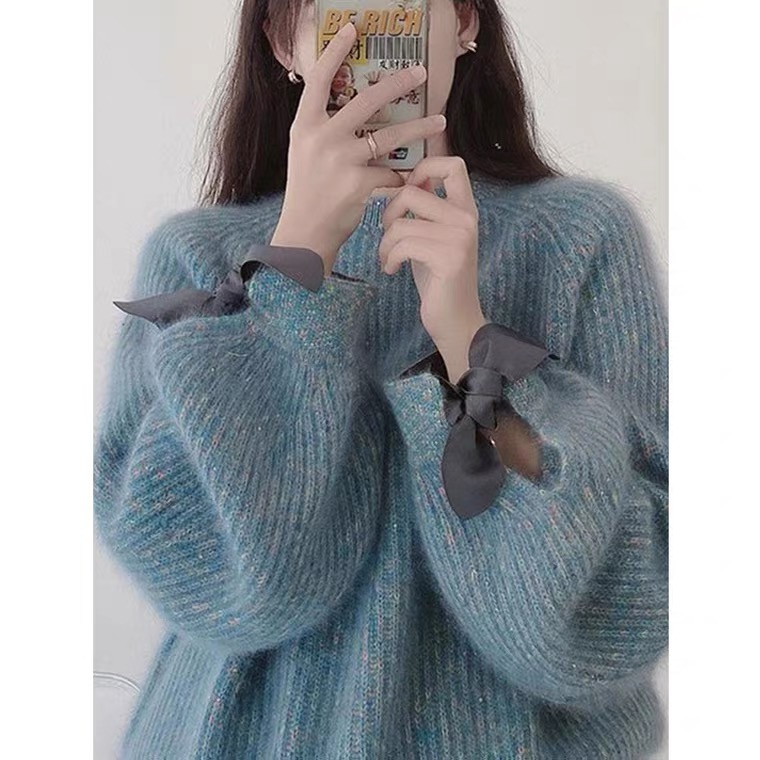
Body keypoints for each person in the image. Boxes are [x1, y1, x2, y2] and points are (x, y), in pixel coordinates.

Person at [94, 1, 668, 758]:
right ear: (284, 42)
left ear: (465, 22)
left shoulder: (580, 241)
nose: (373, 32)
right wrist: (294, 272)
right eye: (339, 9)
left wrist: (468, 341)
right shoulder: (194, 256)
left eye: (402, 5)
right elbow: (222, 588)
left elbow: (606, 624)